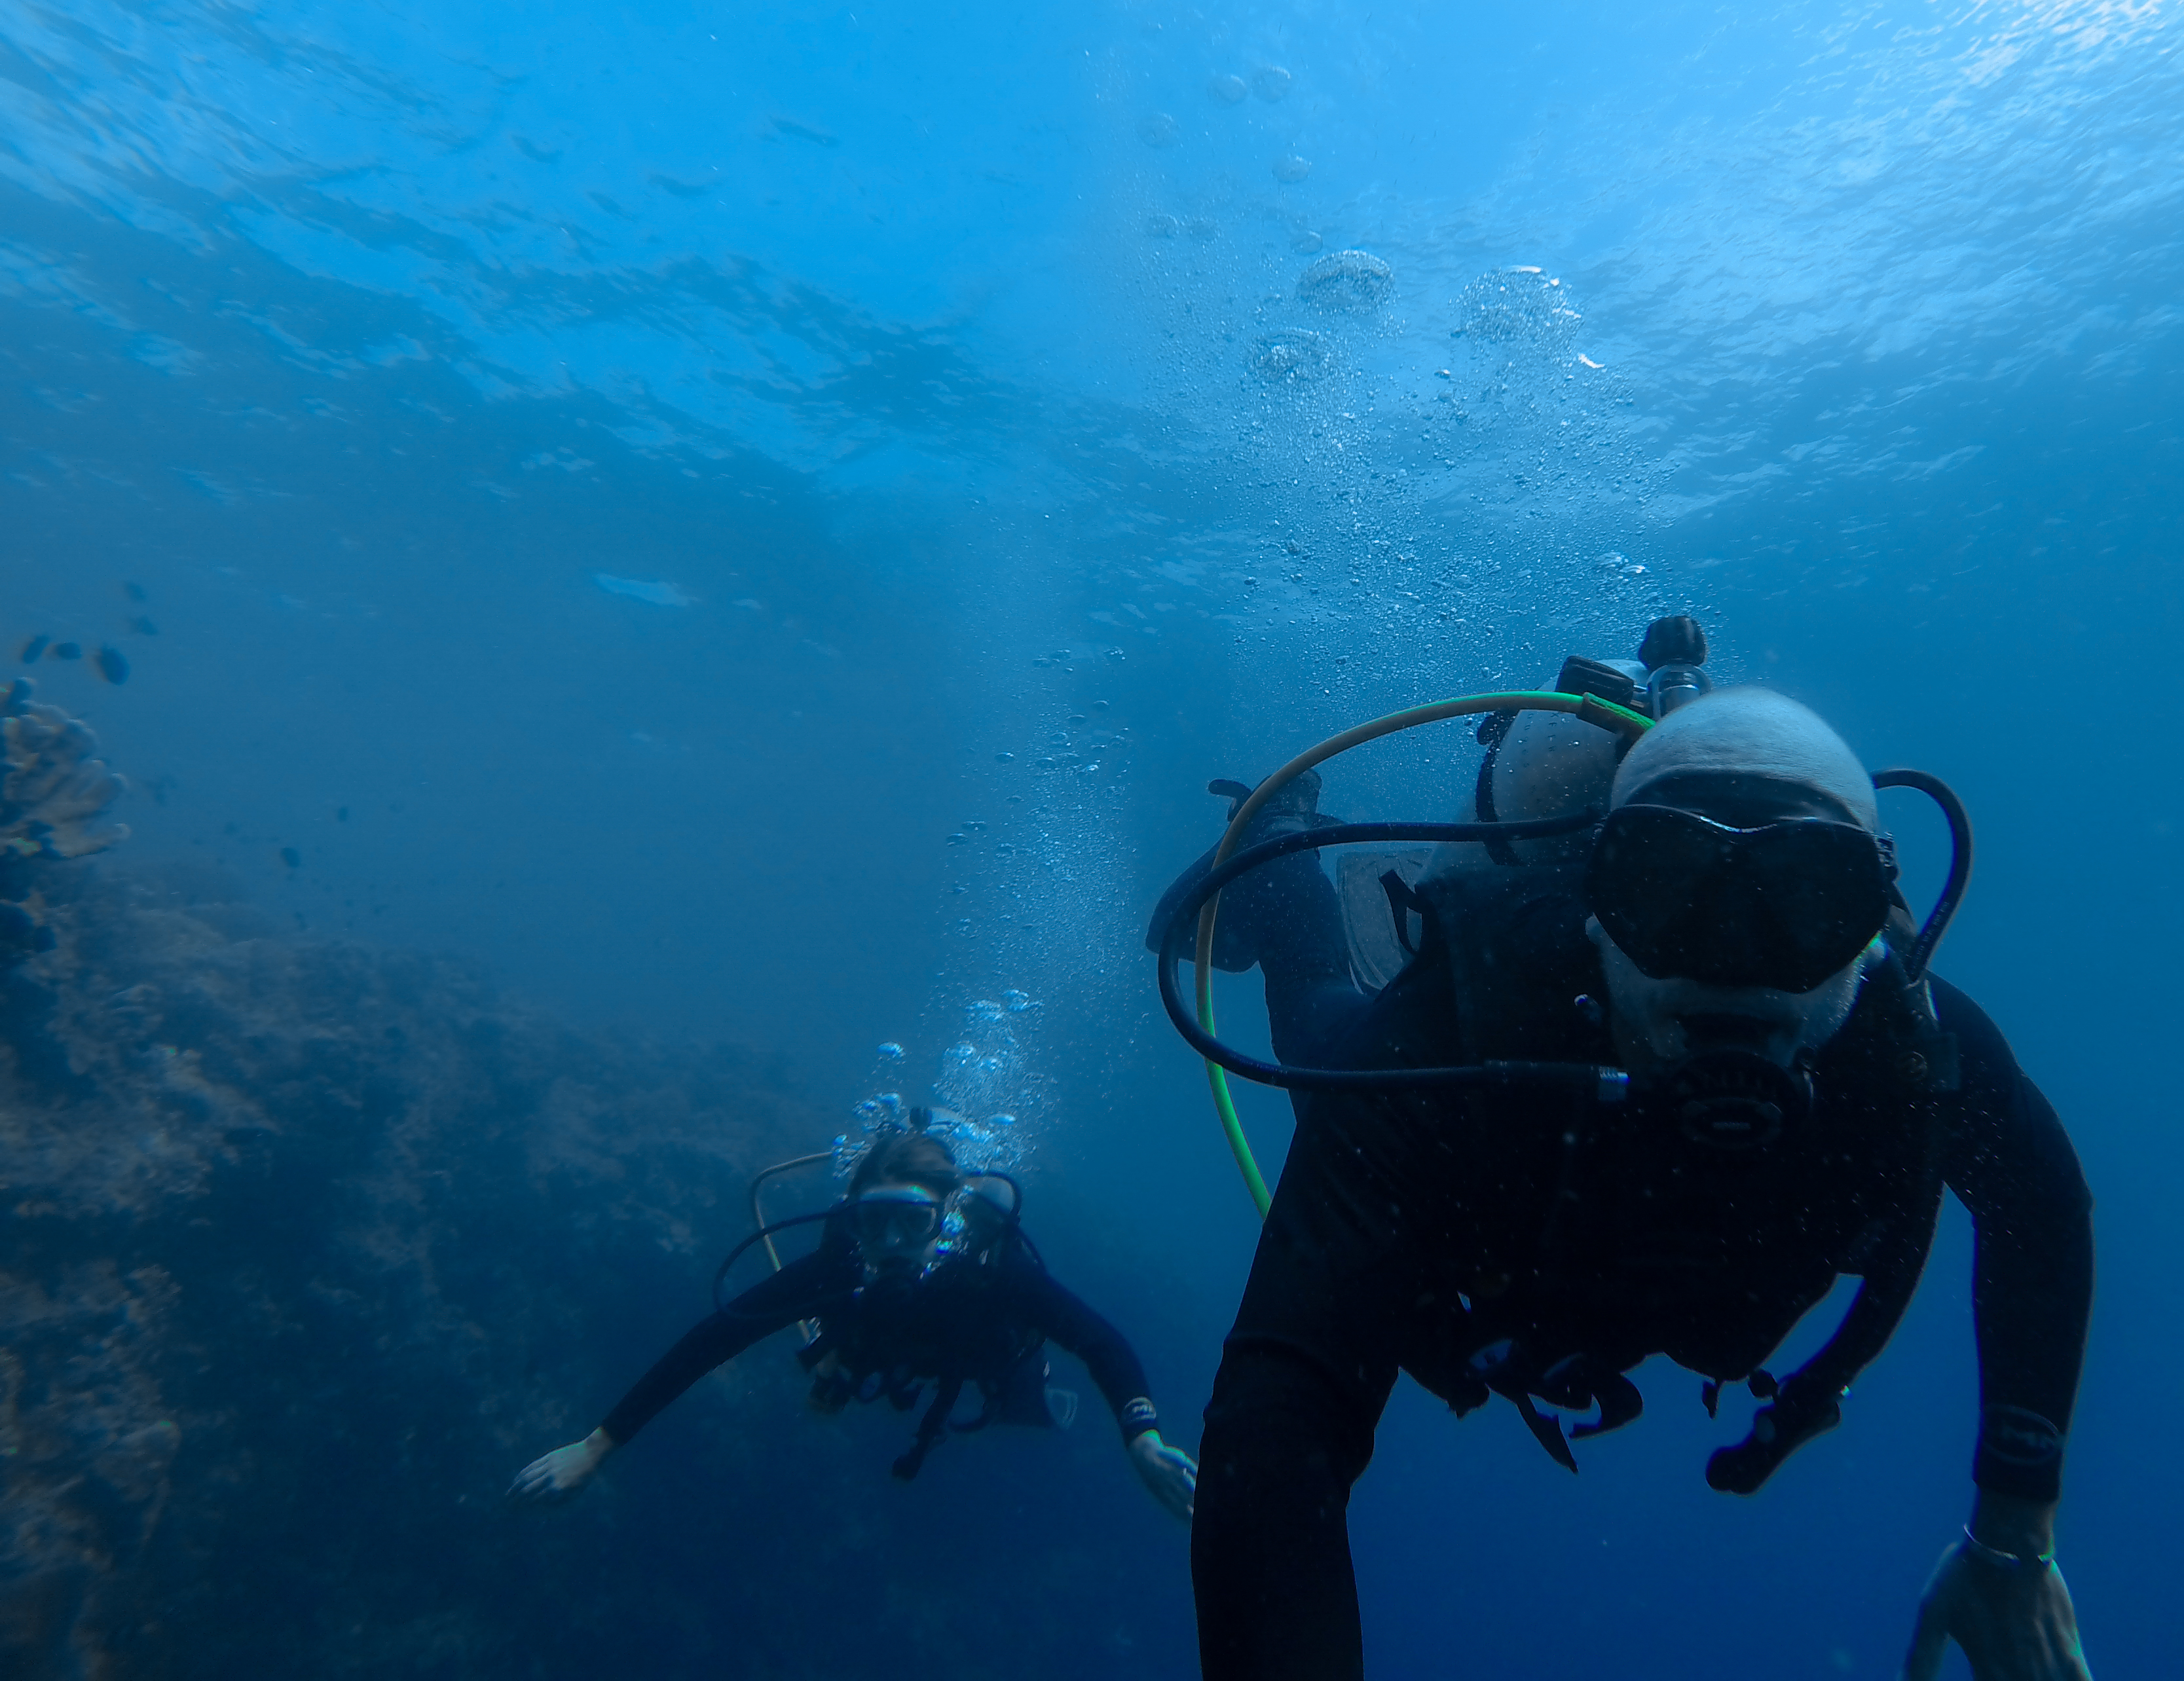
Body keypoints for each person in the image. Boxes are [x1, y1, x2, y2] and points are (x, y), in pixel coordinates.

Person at [1172, 637, 2094, 1679]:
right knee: (1322, 1037)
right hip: (1473, 1138)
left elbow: (2045, 1206)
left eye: (1805, 899)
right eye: (1669, 883)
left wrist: (2015, 1535)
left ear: (1871, 933)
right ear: (1597, 905)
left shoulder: (1914, 1047)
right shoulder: (1460, 1019)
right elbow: (1276, 1427)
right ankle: (1297, 878)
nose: (1732, 964)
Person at [509, 1129, 1198, 1520]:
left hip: (975, 1349)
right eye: (876, 1220)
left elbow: (1099, 1340)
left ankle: (1017, 1388)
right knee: (840, 1351)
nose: (894, 1240)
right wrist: (596, 1446)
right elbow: (712, 1340)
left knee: (1013, 1382)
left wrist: (1140, 1435)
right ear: (853, 1217)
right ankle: (840, 1366)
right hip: (870, 1338)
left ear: (946, 1219)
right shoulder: (839, 1264)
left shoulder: (988, 1270)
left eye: (914, 1221)